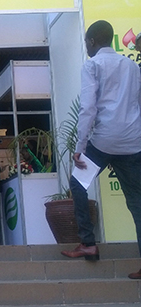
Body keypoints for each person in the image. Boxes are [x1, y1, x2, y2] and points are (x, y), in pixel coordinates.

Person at [61, 20, 141, 281]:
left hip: (104, 142)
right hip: (132, 143)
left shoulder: (92, 65)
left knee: (78, 184)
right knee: (138, 204)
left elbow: (88, 108)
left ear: (93, 41)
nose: (86, 46)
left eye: (87, 42)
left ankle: (88, 243)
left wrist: (80, 147)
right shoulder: (132, 66)